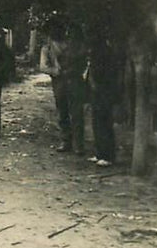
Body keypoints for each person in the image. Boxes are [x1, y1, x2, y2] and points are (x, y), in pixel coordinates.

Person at [40, 21, 88, 153]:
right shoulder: (47, 48)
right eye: (53, 29)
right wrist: (55, 71)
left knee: (77, 112)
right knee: (62, 112)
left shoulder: (73, 44)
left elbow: (83, 61)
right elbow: (43, 66)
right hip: (59, 81)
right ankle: (65, 141)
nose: (56, 32)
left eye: (58, 28)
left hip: (74, 80)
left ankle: (79, 144)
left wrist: (77, 71)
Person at [87, 32, 121, 166]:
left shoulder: (105, 54)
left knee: (104, 123)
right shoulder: (97, 54)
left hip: (104, 92)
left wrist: (97, 85)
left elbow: (104, 76)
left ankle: (108, 155)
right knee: (97, 123)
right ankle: (100, 153)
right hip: (98, 92)